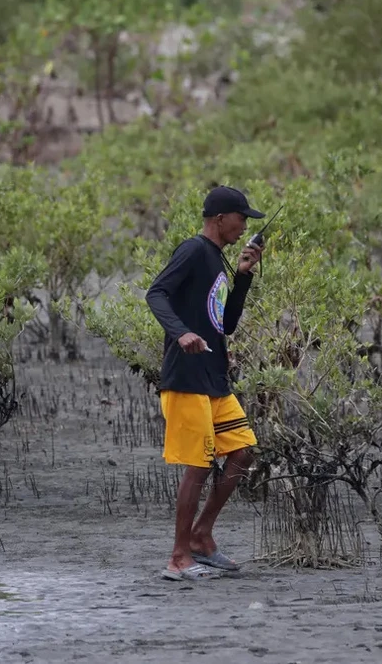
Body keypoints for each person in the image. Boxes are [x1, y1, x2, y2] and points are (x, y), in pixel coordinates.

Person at [145, 185, 266, 581]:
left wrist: (243, 277)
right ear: (220, 219)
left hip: (214, 381)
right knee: (197, 468)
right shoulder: (194, 250)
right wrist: (180, 333)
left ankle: (201, 537)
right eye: (241, 218)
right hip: (186, 379)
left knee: (243, 450)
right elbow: (156, 293)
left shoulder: (217, 259)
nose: (244, 226)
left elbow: (225, 324)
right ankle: (178, 558)